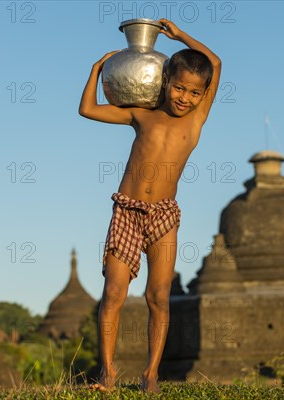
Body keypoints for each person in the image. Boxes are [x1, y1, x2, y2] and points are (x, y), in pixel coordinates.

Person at [78, 19, 221, 393]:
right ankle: (107, 374)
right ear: (165, 81)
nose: (184, 97)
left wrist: (180, 37)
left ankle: (151, 374)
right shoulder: (141, 114)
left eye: (193, 92)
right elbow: (88, 110)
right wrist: (97, 69)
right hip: (127, 210)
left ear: (202, 95)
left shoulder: (197, 119)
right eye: (178, 87)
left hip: (164, 215)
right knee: (113, 293)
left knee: (158, 296)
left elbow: (216, 63)